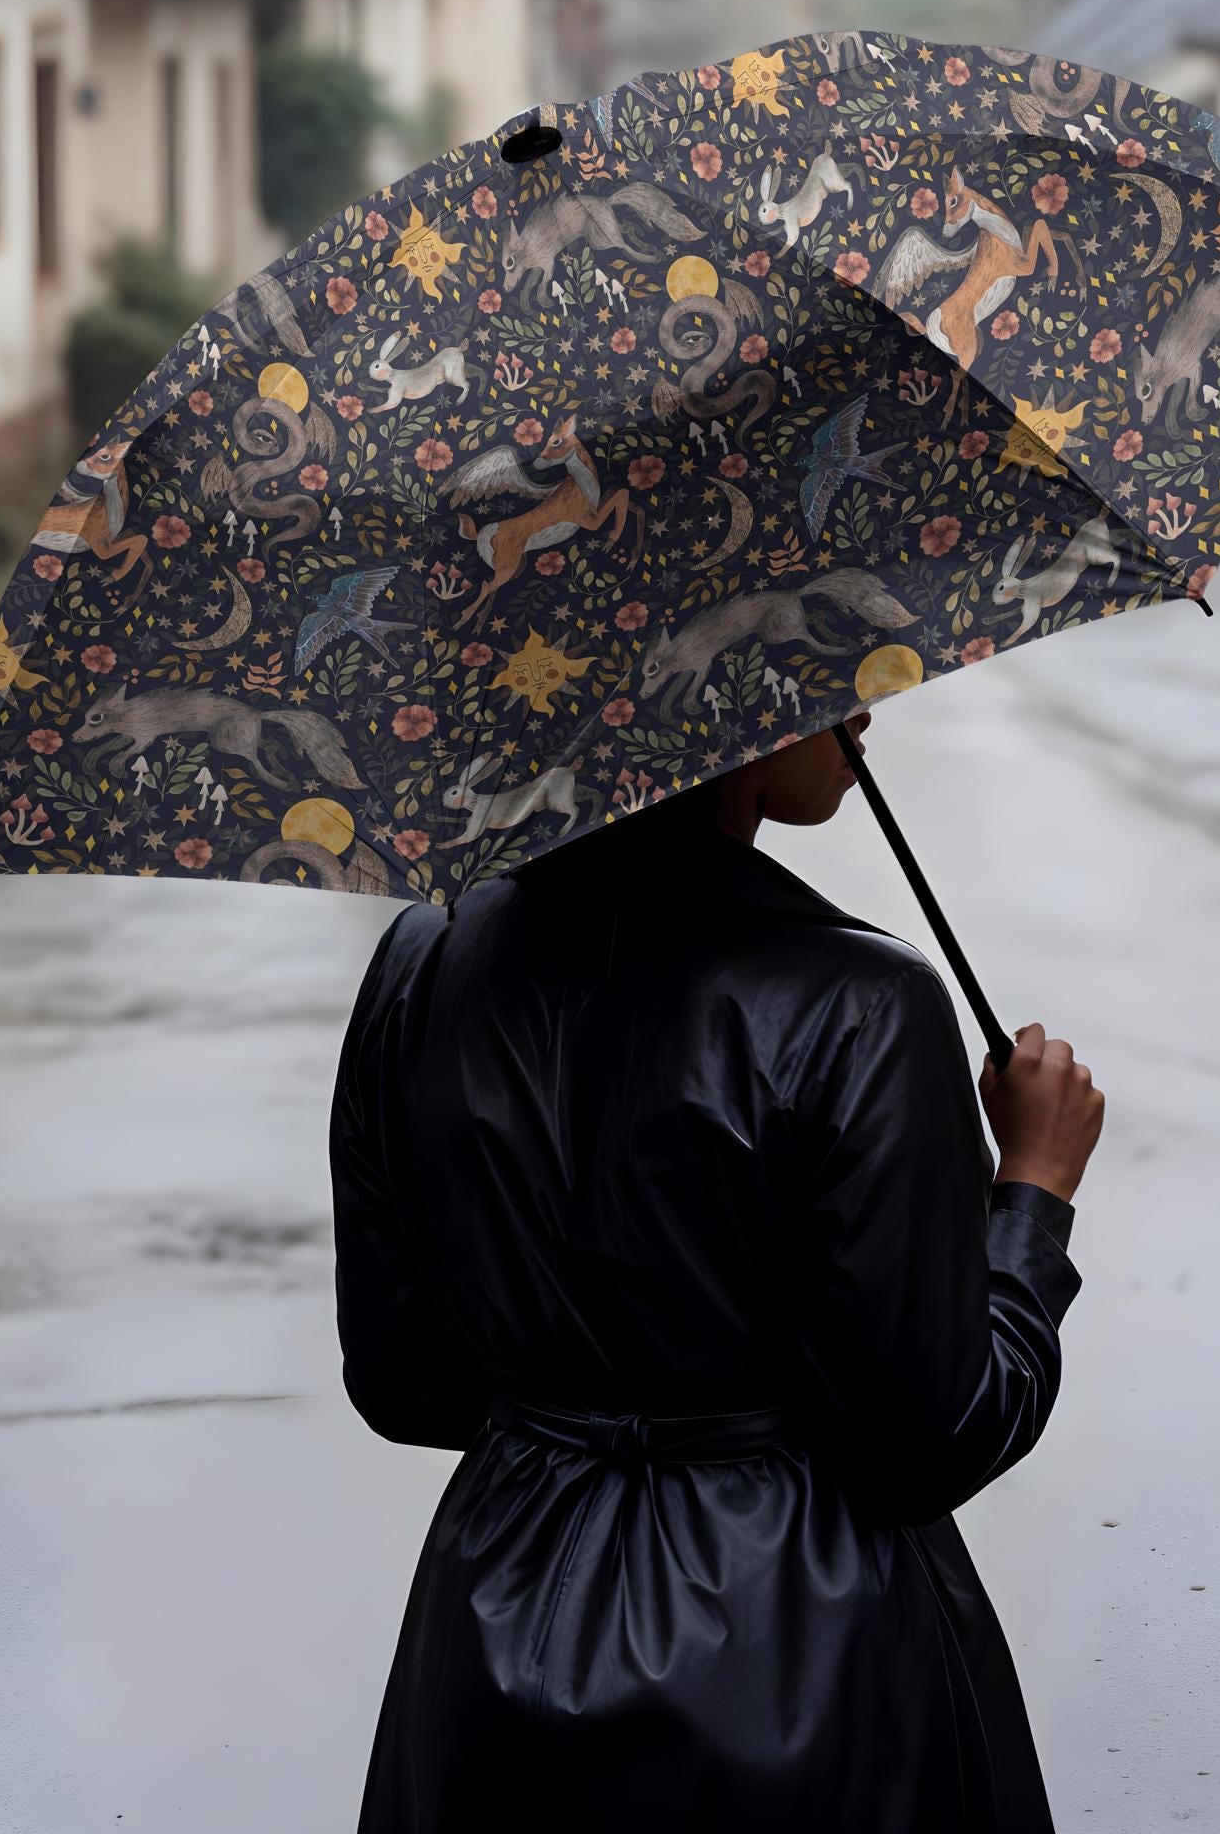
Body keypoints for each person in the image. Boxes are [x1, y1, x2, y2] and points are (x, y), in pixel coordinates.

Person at [331, 711, 1105, 1831]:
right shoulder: (863, 1008)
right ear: (717, 717)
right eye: (820, 668)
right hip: (807, 1663)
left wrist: (573, 1394)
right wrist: (1032, 1190)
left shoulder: (421, 960)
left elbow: (404, 1381)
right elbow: (931, 1439)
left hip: (492, 1641)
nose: (864, 701)